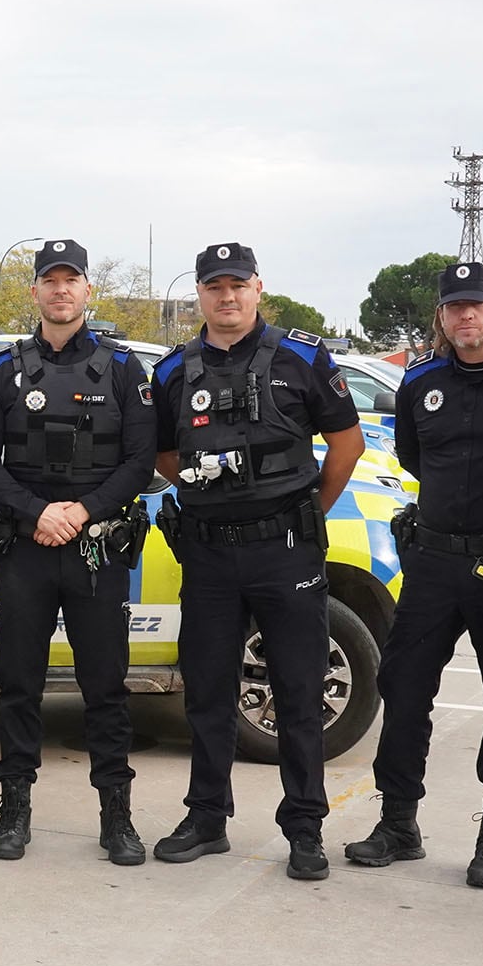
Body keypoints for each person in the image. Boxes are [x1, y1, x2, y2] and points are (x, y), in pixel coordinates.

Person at [151, 243, 364, 880]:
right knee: (209, 692)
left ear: (257, 288)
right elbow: (165, 458)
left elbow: (346, 444)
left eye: (237, 285)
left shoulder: (302, 358)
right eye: (214, 287)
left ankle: (304, 827)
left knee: (299, 691)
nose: (226, 297)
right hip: (210, 553)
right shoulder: (172, 372)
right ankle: (207, 817)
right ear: (199, 294)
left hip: (285, 550)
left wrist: (307, 511)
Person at [344, 262, 483, 887]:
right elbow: (414, 454)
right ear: (441, 316)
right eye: (454, 306)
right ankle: (399, 823)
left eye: (477, 304)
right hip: (434, 559)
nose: (466, 315)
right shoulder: (421, 380)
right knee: (403, 689)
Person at [0, 240, 157, 865]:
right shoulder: (3, 371)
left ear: (86, 290)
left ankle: (117, 817)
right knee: (17, 684)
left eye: (70, 280)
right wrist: (37, 512)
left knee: (104, 687)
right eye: (49, 281)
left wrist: (82, 511)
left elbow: (139, 461)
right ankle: (14, 810)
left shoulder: (124, 369)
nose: (59, 291)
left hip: (96, 549)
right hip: (25, 548)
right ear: (35, 293)